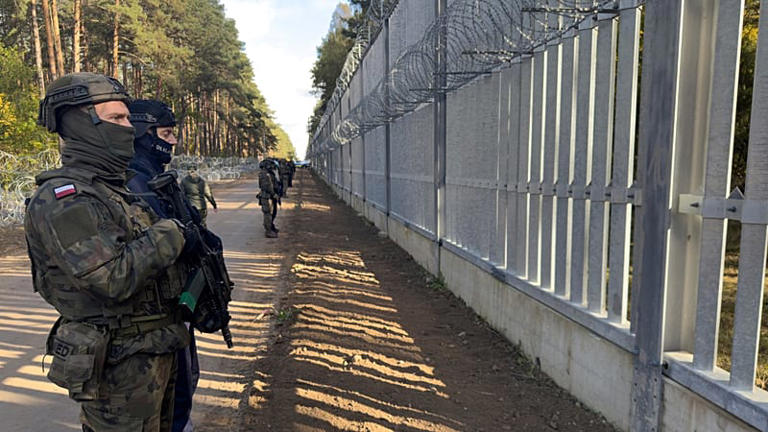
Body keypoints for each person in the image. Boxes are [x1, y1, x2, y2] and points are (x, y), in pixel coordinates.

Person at [25, 72, 190, 431]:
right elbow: (111, 278)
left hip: (152, 350)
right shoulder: (65, 198)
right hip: (117, 365)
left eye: (128, 118)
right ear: (80, 123)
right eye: (117, 118)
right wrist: (172, 234)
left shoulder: (113, 190)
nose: (129, 128)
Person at [127, 99, 200, 432]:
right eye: (166, 133)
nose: (173, 141)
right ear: (144, 132)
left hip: (170, 309)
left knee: (180, 394)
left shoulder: (156, 177)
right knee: (168, 408)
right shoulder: (133, 181)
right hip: (149, 321)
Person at [258, 159, 279, 238]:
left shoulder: (269, 173)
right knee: (267, 214)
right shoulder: (264, 174)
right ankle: (268, 231)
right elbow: (266, 186)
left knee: (273, 212)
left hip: (270, 196)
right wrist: (273, 194)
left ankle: (271, 227)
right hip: (266, 196)